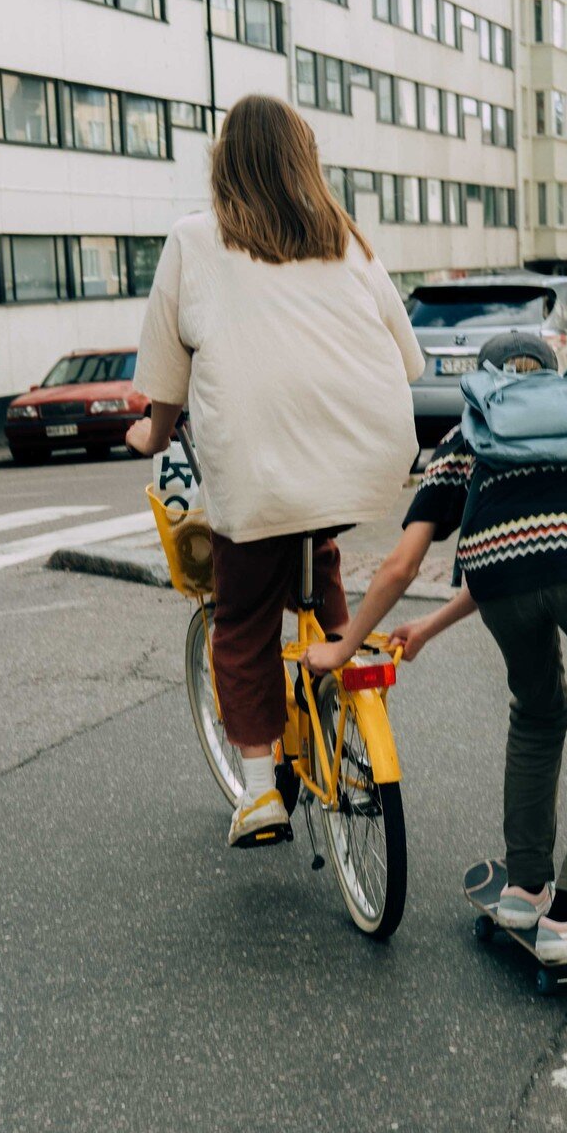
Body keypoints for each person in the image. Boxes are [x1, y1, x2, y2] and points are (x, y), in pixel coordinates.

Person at [304, 334, 567, 963]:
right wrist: (406, 634)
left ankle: (526, 889)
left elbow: (408, 563)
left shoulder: (467, 435)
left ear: (485, 380)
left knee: (537, 711)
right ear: (554, 380)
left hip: (505, 581)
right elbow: (563, 540)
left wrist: (353, 643)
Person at [127, 94, 423, 845]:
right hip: (371, 457)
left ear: (225, 162)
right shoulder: (347, 239)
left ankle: (260, 792)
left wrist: (150, 435)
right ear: (305, 160)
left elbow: (164, 385)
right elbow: (411, 357)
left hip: (260, 474)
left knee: (243, 616)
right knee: (314, 544)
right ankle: (344, 681)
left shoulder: (194, 241)